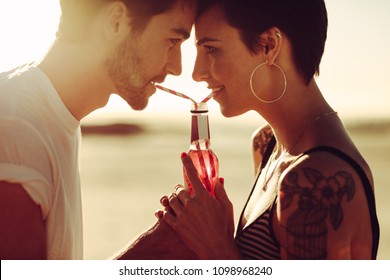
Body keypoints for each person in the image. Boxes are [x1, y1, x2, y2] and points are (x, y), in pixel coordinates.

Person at [157, 0, 380, 259]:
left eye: (210, 49)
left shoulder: (315, 178)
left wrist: (216, 246)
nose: (197, 73)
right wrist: (215, 229)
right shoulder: (266, 145)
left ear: (269, 45)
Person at [0, 0, 199, 260]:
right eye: (173, 40)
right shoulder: (18, 126)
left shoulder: (48, 115)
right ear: (116, 21)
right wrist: (154, 249)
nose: (177, 68)